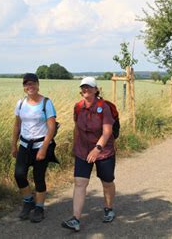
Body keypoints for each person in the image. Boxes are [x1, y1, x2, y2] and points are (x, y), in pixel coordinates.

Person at [62, 77, 116, 232]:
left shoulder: (103, 107)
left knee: (107, 182)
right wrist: (74, 146)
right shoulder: (78, 107)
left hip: (104, 150)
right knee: (80, 183)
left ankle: (109, 208)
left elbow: (107, 132)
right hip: (82, 150)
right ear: (81, 90)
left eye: (89, 87)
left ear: (96, 89)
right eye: (84, 87)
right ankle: (75, 219)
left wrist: (97, 148)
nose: (86, 89)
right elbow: (76, 128)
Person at [11, 73, 58, 223]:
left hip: (41, 145)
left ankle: (39, 208)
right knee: (19, 175)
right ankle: (28, 200)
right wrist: (13, 144)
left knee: (39, 178)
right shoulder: (20, 104)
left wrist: (44, 148)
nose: (30, 87)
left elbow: (51, 128)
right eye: (26, 84)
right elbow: (17, 125)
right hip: (25, 145)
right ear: (24, 87)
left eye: (32, 83)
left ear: (38, 85)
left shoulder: (46, 103)